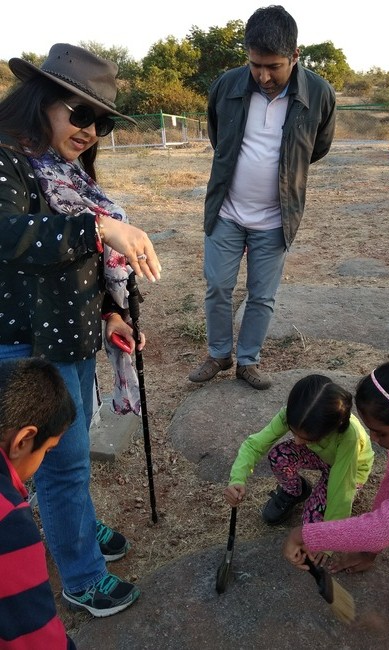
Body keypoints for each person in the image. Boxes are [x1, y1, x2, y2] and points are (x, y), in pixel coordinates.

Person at [0, 43, 162, 617]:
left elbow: (75, 266)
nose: (93, 130)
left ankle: (80, 529)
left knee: (69, 458)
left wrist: (111, 316)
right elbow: (8, 234)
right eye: (82, 113)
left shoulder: (60, 166)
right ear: (42, 98)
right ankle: (82, 578)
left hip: (70, 336)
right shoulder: (5, 157)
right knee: (63, 462)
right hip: (28, 345)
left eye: (103, 122)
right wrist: (100, 228)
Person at [189, 5, 336, 390]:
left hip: (276, 218)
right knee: (218, 285)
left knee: (262, 296)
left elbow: (317, 148)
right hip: (227, 211)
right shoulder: (227, 85)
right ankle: (219, 354)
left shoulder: (319, 93)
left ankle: (248, 361)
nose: (263, 75)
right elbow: (218, 135)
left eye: (273, 66)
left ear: (295, 56)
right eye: (255, 65)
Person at [283, 353, 389, 643]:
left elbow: (383, 527)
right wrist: (370, 549)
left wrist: (305, 534)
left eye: (380, 433)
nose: (372, 439)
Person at [224, 374, 374, 547]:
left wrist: (329, 543)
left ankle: (318, 508)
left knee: (313, 526)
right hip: (321, 456)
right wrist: (238, 478)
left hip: (351, 469)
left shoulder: (349, 438)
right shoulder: (294, 414)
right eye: (294, 433)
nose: (297, 442)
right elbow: (254, 445)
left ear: (330, 430)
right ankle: (295, 491)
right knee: (279, 456)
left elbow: (341, 491)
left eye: (307, 439)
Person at [0, 357, 77, 649]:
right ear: (22, 441)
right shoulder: (9, 526)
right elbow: (37, 640)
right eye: (48, 449)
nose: (45, 457)